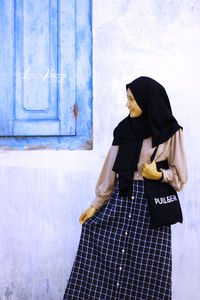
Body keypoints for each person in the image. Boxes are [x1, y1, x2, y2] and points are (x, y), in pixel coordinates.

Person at [63, 76, 188, 299]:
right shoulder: (123, 130)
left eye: (132, 99)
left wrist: (158, 175)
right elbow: (111, 171)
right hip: (121, 201)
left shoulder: (170, 132)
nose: (127, 104)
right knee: (99, 247)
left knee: (148, 273)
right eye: (127, 98)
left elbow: (180, 177)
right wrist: (96, 205)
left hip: (151, 212)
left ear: (146, 100)